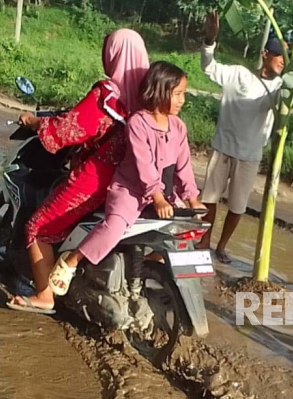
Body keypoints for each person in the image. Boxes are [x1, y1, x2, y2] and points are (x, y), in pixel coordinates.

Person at [6, 29, 149, 314]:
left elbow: (70, 128)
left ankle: (44, 296)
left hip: (96, 178)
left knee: (37, 227)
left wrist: (35, 122)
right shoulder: (149, 97)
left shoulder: (108, 95)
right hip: (137, 181)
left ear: (112, 55)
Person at [49, 61, 206, 293]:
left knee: (192, 228)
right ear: (159, 90)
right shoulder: (138, 123)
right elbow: (143, 164)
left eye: (183, 94)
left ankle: (151, 263)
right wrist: (157, 197)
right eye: (178, 94)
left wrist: (193, 199)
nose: (182, 100)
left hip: (163, 195)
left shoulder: (179, 127)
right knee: (114, 225)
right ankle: (70, 262)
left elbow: (183, 167)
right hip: (131, 191)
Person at [196, 11, 284, 264]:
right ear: (266, 54)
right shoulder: (238, 75)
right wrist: (210, 40)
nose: (281, 62)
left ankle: (222, 246)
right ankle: (204, 240)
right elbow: (208, 66)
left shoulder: (280, 88)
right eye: (278, 55)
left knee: (237, 206)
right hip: (223, 148)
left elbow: (283, 101)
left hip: (250, 156)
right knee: (209, 198)